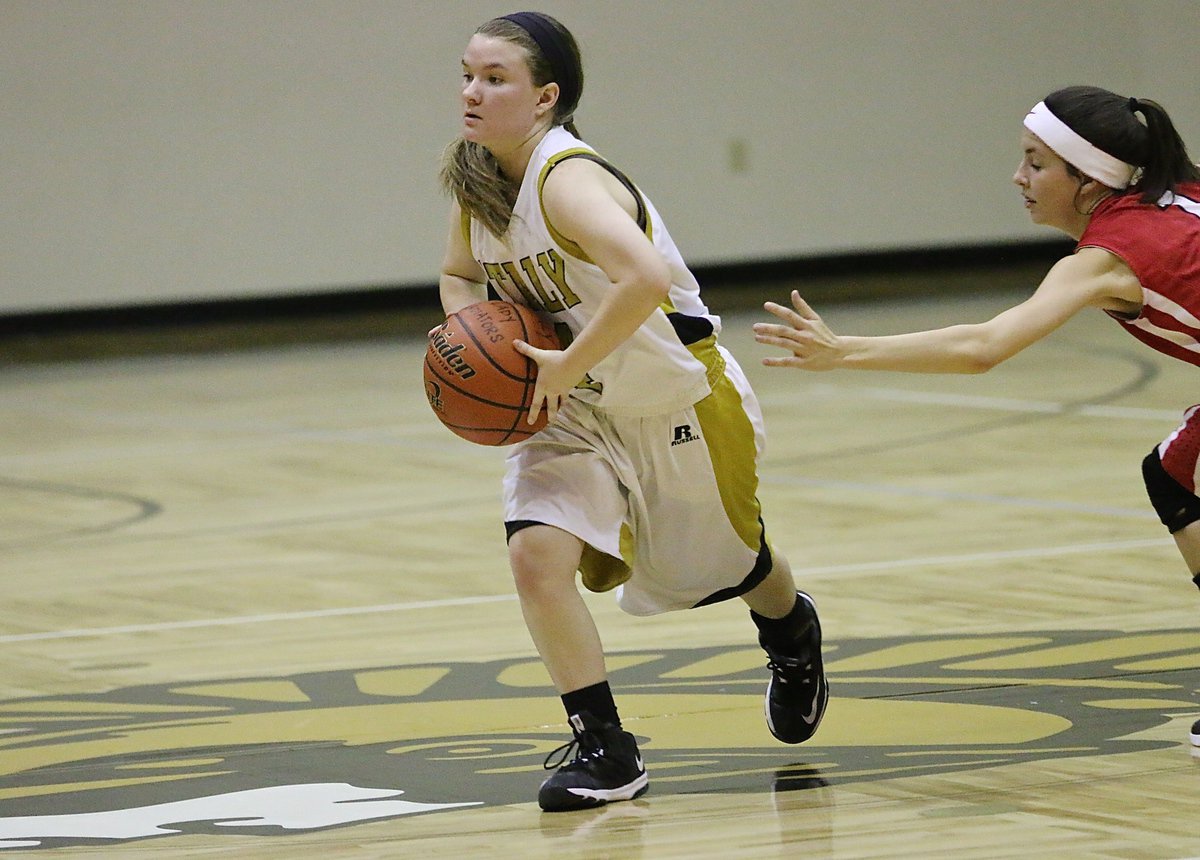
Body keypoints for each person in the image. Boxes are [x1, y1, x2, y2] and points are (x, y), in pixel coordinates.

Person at [435, 12, 829, 812]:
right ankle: (607, 750)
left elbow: (643, 278)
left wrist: (565, 362)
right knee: (534, 558)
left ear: (545, 98)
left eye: (495, 79)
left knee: (721, 568)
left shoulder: (567, 180)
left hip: (671, 391)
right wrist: (465, 334)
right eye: (468, 74)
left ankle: (791, 633)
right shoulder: (479, 178)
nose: (472, 92)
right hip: (572, 407)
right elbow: (456, 273)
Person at [752, 85, 1200, 750]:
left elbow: (982, 350)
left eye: (1036, 163)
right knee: (1175, 471)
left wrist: (844, 350)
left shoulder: (1109, 258)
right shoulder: (1178, 195)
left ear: (1089, 180)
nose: (1018, 177)